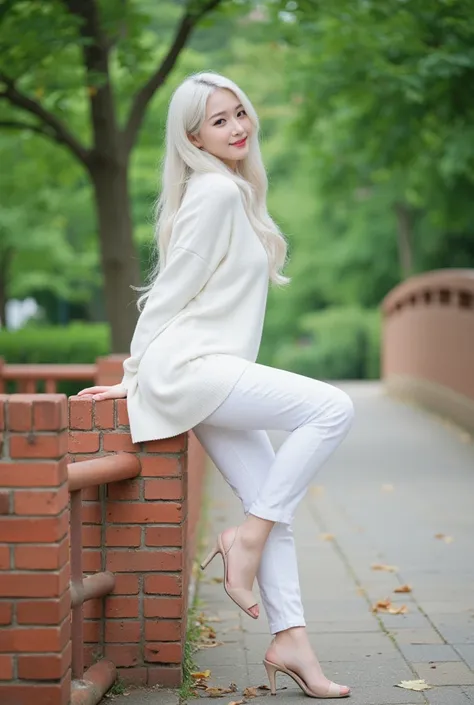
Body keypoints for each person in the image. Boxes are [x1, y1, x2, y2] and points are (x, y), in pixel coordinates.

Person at [78, 71, 354, 699]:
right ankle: (243, 539)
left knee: (272, 501)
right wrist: (134, 377)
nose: (236, 128)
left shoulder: (232, 192)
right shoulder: (216, 194)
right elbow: (168, 293)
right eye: (218, 120)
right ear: (194, 137)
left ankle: (292, 643)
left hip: (210, 372)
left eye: (240, 114)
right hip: (194, 370)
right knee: (331, 410)